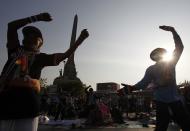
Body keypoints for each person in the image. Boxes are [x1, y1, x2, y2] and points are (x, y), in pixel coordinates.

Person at [0, 12, 89, 131]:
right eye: (27, 35)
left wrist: (79, 40)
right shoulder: (14, 51)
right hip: (6, 102)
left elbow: (66, 55)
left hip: (28, 106)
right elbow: (11, 26)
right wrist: (37, 18)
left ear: (40, 43)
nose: (28, 37)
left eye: (33, 36)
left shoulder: (41, 58)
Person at [124, 26, 190, 131]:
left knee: (185, 125)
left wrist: (173, 31)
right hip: (162, 101)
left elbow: (179, 47)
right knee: (161, 127)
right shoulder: (152, 69)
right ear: (154, 57)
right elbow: (143, 83)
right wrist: (130, 88)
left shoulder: (170, 63)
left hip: (174, 101)